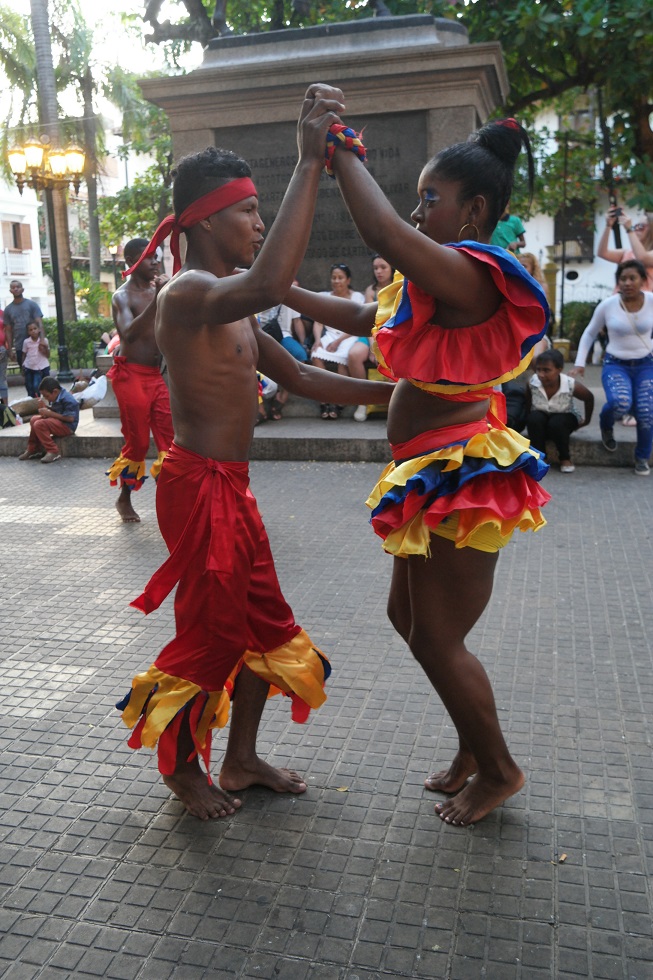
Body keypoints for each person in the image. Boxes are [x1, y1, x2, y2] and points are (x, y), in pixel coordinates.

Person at [116, 85, 393, 821]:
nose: (259, 224)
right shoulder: (187, 293)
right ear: (209, 218)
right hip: (195, 484)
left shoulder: (235, 308)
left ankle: (238, 760)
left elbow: (300, 376)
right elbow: (272, 279)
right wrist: (308, 163)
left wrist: (401, 396)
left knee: (265, 624)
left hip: (232, 487)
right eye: (249, 212)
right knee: (211, 633)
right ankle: (182, 770)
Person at [286, 104, 551, 826]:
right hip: (430, 474)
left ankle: (499, 769)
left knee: (437, 635)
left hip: (461, 480)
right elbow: (361, 315)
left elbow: (380, 232)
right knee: (406, 618)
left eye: (429, 198)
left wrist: (333, 150)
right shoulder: (432, 281)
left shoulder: (472, 273)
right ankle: (472, 747)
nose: (414, 209)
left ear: (473, 211)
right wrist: (273, 283)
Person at [106, 238, 174, 523]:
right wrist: (158, 299)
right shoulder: (122, 296)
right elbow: (129, 333)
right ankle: (124, 498)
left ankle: (172, 501)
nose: (155, 262)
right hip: (130, 375)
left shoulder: (157, 289)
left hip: (154, 376)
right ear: (133, 260)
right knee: (136, 445)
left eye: (157, 257)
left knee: (170, 442)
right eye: (149, 258)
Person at [571, 259, 653, 476]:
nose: (627, 283)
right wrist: (580, 362)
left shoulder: (652, 301)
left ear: (643, 280)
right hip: (616, 364)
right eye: (622, 279)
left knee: (646, 411)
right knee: (620, 402)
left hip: (646, 364)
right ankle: (606, 424)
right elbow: (589, 333)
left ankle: (642, 457)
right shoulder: (608, 305)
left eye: (632, 278)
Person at [310, 263, 365, 419]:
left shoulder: (357, 297)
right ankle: (325, 399)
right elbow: (318, 322)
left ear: (348, 280)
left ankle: (340, 401)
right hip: (330, 335)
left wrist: (339, 341)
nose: (336, 281)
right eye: (334, 277)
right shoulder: (325, 297)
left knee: (343, 358)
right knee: (316, 354)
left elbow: (357, 323)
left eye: (340, 277)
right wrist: (317, 340)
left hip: (349, 335)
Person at [526, 348, 593, 473]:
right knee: (533, 419)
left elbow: (589, 398)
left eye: (546, 370)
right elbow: (528, 400)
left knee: (557, 423)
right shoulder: (532, 382)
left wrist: (586, 421)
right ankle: (540, 457)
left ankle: (565, 458)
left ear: (559, 370)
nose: (541, 374)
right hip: (543, 415)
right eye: (538, 369)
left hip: (565, 415)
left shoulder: (570, 384)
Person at [351, 255, 395, 421]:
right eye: (376, 268)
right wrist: (373, 347)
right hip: (371, 334)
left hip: (394, 335)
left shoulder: (399, 287)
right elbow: (369, 322)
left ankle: (395, 404)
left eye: (383, 267)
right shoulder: (371, 291)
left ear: (391, 268)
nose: (379, 271)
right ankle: (362, 401)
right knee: (354, 355)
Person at [256, 299, 307, 420]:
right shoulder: (256, 293)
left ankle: (282, 396)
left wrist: (304, 343)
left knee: (300, 355)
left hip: (282, 335)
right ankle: (260, 408)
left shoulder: (288, 296)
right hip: (260, 335)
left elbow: (297, 321)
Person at [17, 375, 80, 463]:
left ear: (55, 391)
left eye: (46, 396)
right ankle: (33, 448)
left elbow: (70, 418)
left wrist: (50, 413)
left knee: (39, 424)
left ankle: (53, 451)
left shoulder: (68, 399)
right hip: (58, 422)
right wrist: (46, 409)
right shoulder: (56, 396)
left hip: (68, 426)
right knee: (34, 420)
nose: (46, 398)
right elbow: (55, 412)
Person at [597, 208, 653, 291]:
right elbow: (602, 253)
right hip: (621, 300)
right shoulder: (628, 253)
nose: (636, 229)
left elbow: (642, 258)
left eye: (641, 226)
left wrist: (629, 230)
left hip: (644, 302)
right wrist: (608, 226)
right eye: (635, 226)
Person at [3, 280, 44, 371]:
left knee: (39, 371)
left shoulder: (32, 304)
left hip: (35, 344)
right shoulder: (8, 309)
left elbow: (39, 323)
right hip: (20, 346)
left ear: (22, 289)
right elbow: (8, 330)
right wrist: (10, 349)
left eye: (18, 287)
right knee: (25, 372)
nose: (16, 289)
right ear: (10, 291)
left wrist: (42, 340)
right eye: (13, 287)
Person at [21, 321, 51, 397]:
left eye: (35, 328)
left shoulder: (44, 341)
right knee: (29, 387)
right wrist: (23, 366)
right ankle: (32, 403)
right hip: (29, 367)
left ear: (39, 330)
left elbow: (48, 355)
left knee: (37, 386)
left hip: (42, 366)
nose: (33, 331)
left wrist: (45, 347)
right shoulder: (26, 342)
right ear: (28, 332)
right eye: (30, 330)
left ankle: (41, 402)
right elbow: (24, 354)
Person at [0, 309, 8, 406]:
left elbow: (7, 330)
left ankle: (5, 408)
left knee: (2, 379)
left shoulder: (2, 313)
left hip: (1, 349)